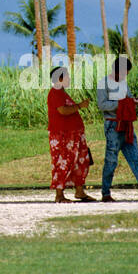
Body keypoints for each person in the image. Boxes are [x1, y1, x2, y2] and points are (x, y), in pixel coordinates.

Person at [96, 55, 138, 202]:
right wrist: (122, 104)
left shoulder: (123, 83)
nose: (125, 76)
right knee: (111, 161)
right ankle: (105, 193)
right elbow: (102, 105)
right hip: (113, 126)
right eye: (123, 73)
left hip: (127, 125)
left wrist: (133, 102)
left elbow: (129, 97)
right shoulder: (103, 83)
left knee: (136, 158)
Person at [47, 64, 94, 202]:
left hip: (74, 134)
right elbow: (62, 110)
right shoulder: (55, 93)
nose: (69, 79)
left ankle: (80, 191)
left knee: (80, 161)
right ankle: (59, 195)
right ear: (60, 78)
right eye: (67, 76)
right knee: (63, 162)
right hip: (63, 135)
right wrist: (79, 106)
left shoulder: (62, 92)